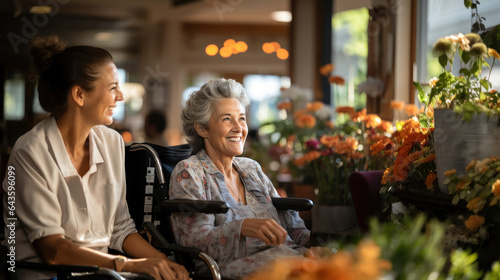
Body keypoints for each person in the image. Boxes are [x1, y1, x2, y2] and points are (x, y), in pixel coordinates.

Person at [1, 36, 189, 280]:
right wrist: (128, 266)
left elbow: (120, 228)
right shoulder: (30, 151)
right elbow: (53, 250)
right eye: (112, 87)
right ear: (79, 95)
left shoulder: (112, 142)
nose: (120, 96)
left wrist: (163, 263)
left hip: (102, 275)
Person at [169, 79, 326, 279]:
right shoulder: (189, 172)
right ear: (202, 129)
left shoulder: (251, 168)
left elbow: (293, 230)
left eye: (241, 118)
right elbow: (194, 245)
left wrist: (316, 245)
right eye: (227, 119)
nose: (238, 128)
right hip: (232, 267)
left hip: (288, 257)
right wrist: (242, 228)